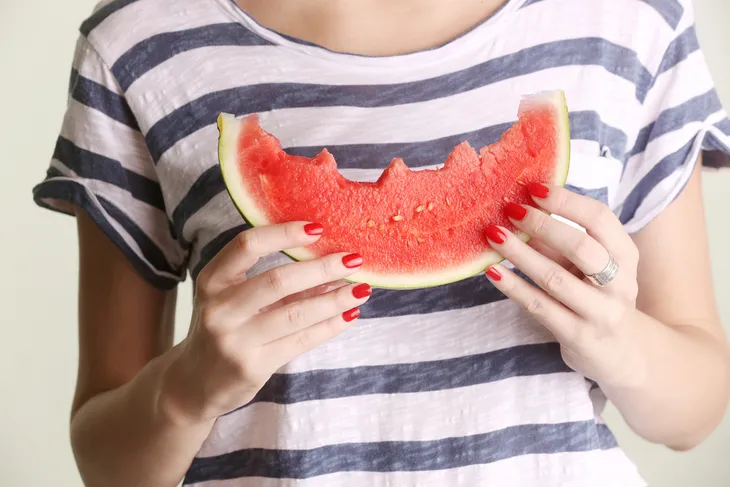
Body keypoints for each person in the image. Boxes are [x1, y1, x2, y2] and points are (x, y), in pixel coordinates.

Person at [32, 0, 730, 485]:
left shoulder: (630, 22)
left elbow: (697, 407)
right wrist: (187, 389)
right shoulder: (136, 44)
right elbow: (106, 463)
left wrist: (619, 342)